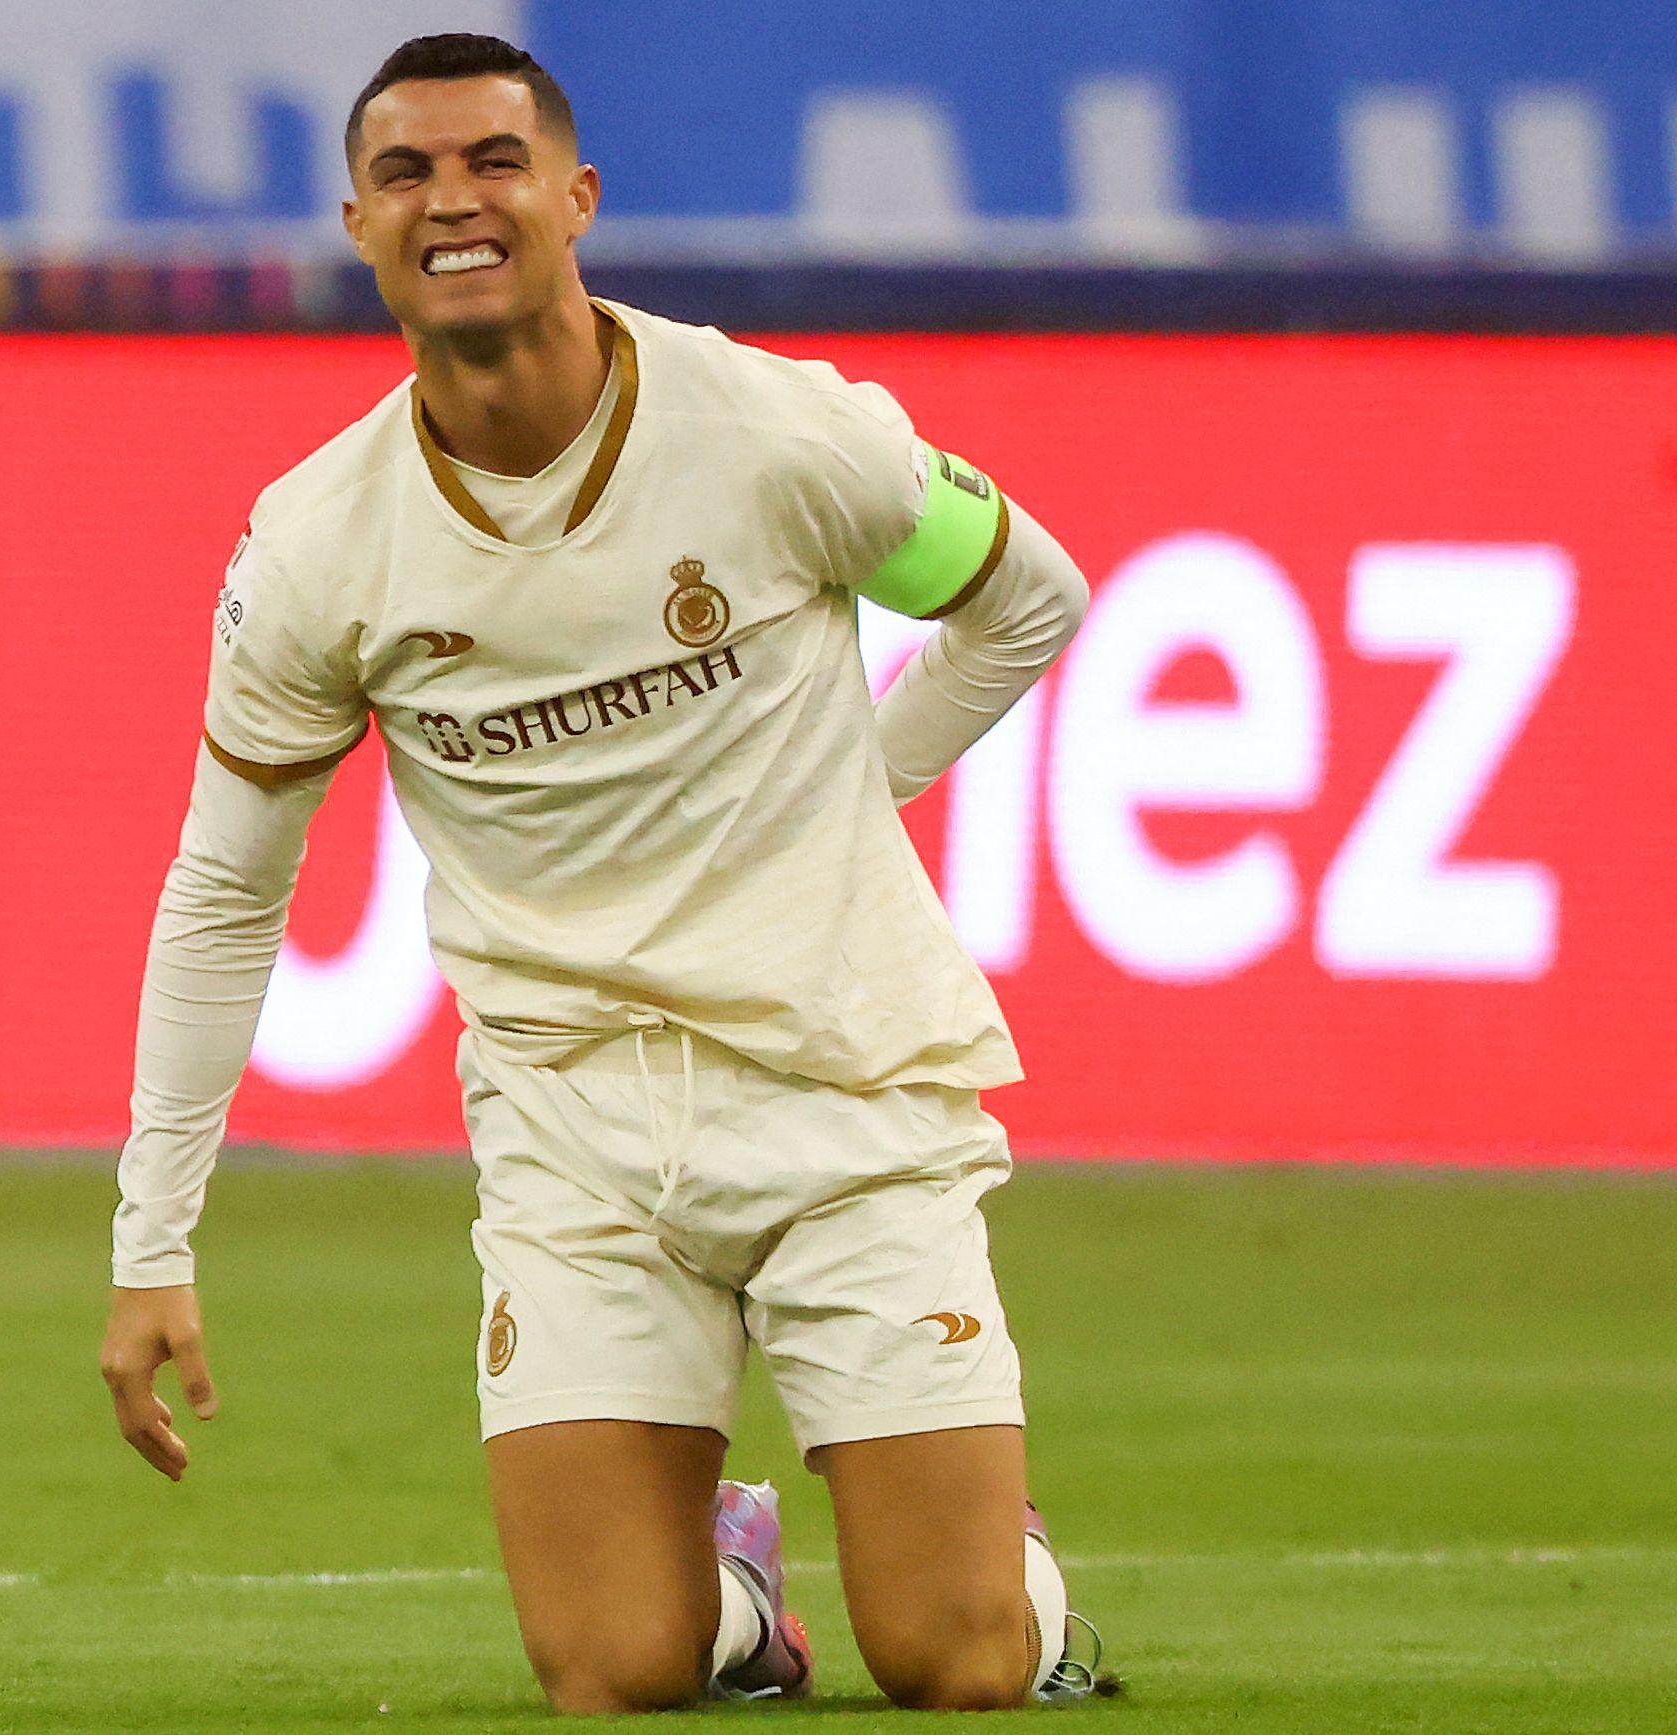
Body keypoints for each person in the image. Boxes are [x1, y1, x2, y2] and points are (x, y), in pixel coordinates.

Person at [97, 32, 1099, 1715]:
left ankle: (1008, 1561)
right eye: (407, 174)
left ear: (574, 196)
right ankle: (737, 1589)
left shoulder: (779, 431)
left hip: (846, 1086)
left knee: (956, 1662)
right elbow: (225, 892)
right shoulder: (317, 546)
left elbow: (1031, 601)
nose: (454, 200)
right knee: (613, 1670)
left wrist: (860, 787)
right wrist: (152, 1238)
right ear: (360, 224)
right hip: (574, 1132)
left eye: (493, 161)